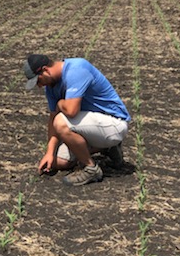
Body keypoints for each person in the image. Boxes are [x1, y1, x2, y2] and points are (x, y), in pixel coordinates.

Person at [24, 53, 130, 186]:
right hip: (93, 126)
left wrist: (59, 104)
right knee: (60, 161)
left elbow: (71, 111)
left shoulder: (76, 69)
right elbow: (52, 119)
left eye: (38, 81)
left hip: (114, 124)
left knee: (61, 122)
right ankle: (107, 148)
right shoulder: (51, 86)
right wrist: (49, 153)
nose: (39, 86)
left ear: (45, 70)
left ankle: (91, 168)